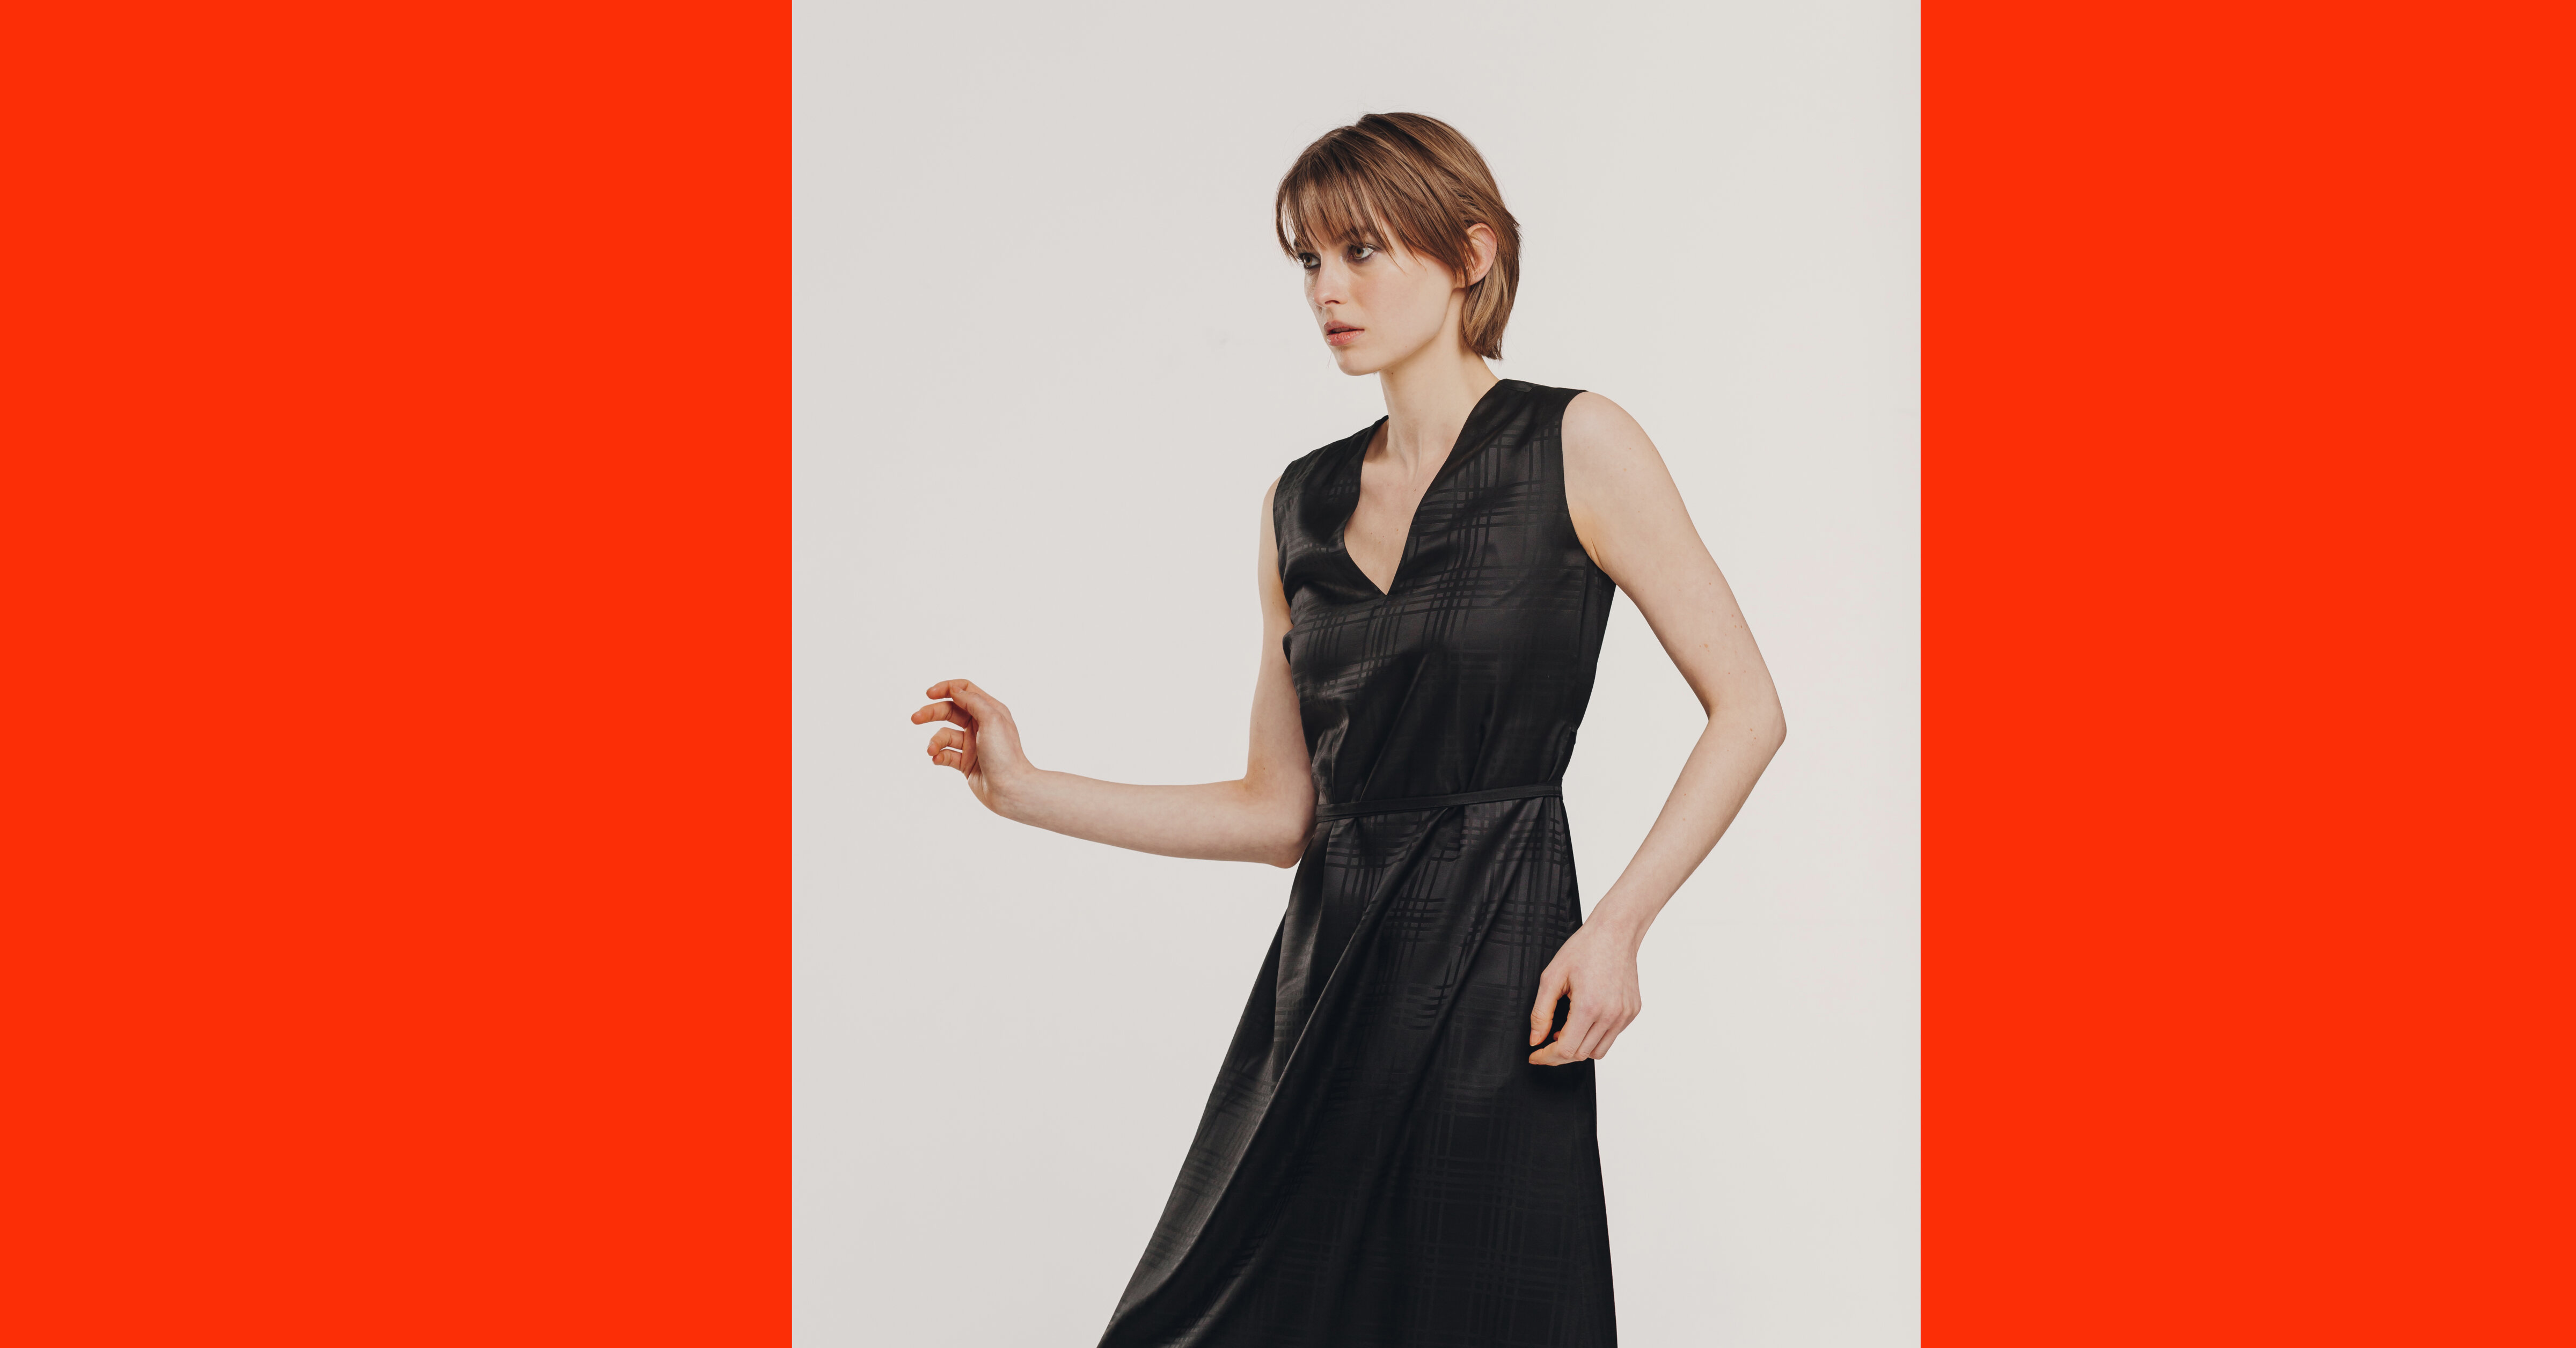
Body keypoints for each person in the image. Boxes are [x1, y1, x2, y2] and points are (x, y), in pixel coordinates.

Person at [911, 112, 1784, 1348]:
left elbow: (1748, 708)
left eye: (1362, 251)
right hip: (1323, 998)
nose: (1328, 289)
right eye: (1310, 260)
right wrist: (1026, 785)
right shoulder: (1300, 503)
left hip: (1500, 980)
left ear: (1470, 254)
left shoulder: (1576, 443)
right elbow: (1282, 813)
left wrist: (1618, 928)